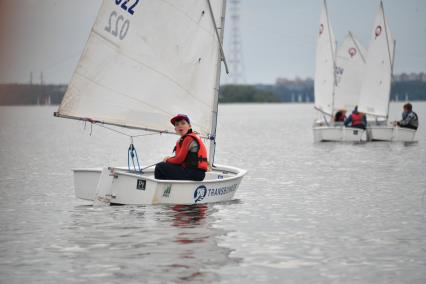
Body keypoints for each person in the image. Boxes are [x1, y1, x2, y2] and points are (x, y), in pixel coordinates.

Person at [154, 114, 208, 181]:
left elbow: (179, 159)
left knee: (160, 167)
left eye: (183, 123)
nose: (180, 126)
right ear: (175, 129)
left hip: (195, 173)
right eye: (177, 124)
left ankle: (163, 190)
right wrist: (170, 159)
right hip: (193, 172)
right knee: (165, 166)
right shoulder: (182, 140)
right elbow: (179, 159)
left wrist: (167, 160)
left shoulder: (188, 138)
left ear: (189, 126)